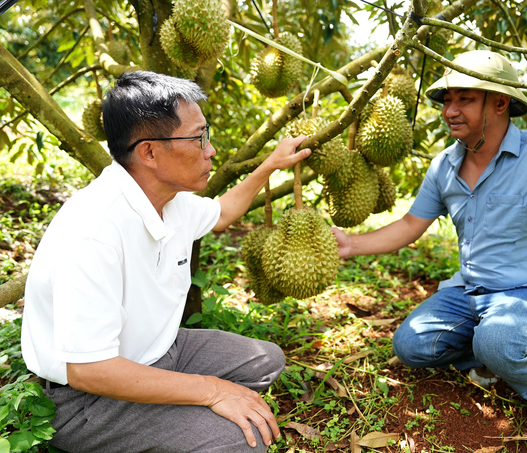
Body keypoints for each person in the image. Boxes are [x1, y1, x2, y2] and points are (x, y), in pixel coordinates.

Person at [333, 50, 527, 443]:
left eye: (464, 98)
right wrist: (350, 244)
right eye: (447, 99)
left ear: (500, 103)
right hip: (473, 292)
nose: (450, 109)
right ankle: (496, 352)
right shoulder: (444, 166)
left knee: (499, 339)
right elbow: (411, 224)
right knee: (411, 344)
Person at [20, 70, 311, 453]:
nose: (210, 151)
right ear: (150, 152)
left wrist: (270, 165)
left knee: (265, 361)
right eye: (198, 138)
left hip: (159, 353)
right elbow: (89, 370)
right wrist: (210, 390)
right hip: (83, 398)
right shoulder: (93, 231)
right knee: (240, 441)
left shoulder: (169, 199)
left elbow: (222, 213)